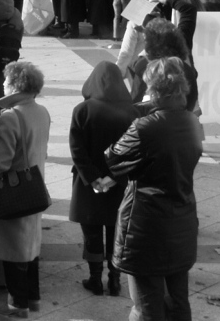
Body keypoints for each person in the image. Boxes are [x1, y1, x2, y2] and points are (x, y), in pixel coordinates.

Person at [106, 57, 203, 321]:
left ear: (155, 91)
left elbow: (113, 159)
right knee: (178, 302)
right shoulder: (192, 122)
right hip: (181, 221)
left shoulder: (145, 127)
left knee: (145, 306)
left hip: (146, 227)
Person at [0, 61, 51, 318]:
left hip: (13, 193)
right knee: (30, 250)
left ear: (15, 85)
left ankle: (17, 306)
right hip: (34, 190)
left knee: (14, 253)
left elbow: (0, 163)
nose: (3, 84)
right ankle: (33, 300)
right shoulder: (42, 112)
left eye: (6, 81)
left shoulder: (10, 117)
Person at [68, 61, 137, 297]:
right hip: (120, 184)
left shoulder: (82, 110)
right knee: (117, 229)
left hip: (88, 185)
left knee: (92, 231)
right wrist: (113, 177)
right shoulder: (132, 112)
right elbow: (135, 152)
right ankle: (115, 280)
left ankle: (95, 279)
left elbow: (77, 150)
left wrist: (94, 178)